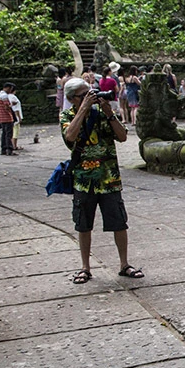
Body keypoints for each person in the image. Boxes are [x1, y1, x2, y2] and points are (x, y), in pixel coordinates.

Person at [60, 76, 143, 284]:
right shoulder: (67, 115)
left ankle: (124, 264)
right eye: (84, 95)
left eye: (91, 92)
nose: (91, 96)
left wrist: (109, 112)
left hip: (109, 178)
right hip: (83, 180)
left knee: (119, 223)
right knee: (83, 225)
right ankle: (85, 268)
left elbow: (123, 137)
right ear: (73, 99)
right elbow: (70, 136)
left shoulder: (102, 114)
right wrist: (83, 109)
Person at [0, 82, 17, 155]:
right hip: (7, 117)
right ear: (7, 87)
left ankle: (3, 149)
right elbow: (6, 106)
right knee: (9, 134)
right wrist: (12, 105)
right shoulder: (5, 96)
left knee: (4, 134)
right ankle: (9, 149)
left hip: (1, 117)